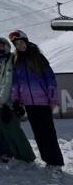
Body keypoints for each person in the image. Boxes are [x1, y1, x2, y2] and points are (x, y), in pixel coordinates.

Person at [9, 30, 64, 169]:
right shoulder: (16, 61)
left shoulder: (38, 57)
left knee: (48, 133)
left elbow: (50, 79)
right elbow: (16, 83)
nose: (20, 46)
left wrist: (53, 99)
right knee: (38, 133)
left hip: (43, 102)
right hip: (28, 103)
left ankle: (56, 162)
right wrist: (16, 100)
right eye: (17, 44)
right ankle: (47, 160)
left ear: (26, 41)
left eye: (21, 42)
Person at [0, 37, 35, 163]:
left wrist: (1, 100)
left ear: (6, 46)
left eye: (0, 45)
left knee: (15, 130)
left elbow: (8, 83)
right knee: (6, 131)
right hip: (0, 103)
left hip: (10, 103)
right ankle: (16, 155)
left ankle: (27, 156)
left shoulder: (11, 60)